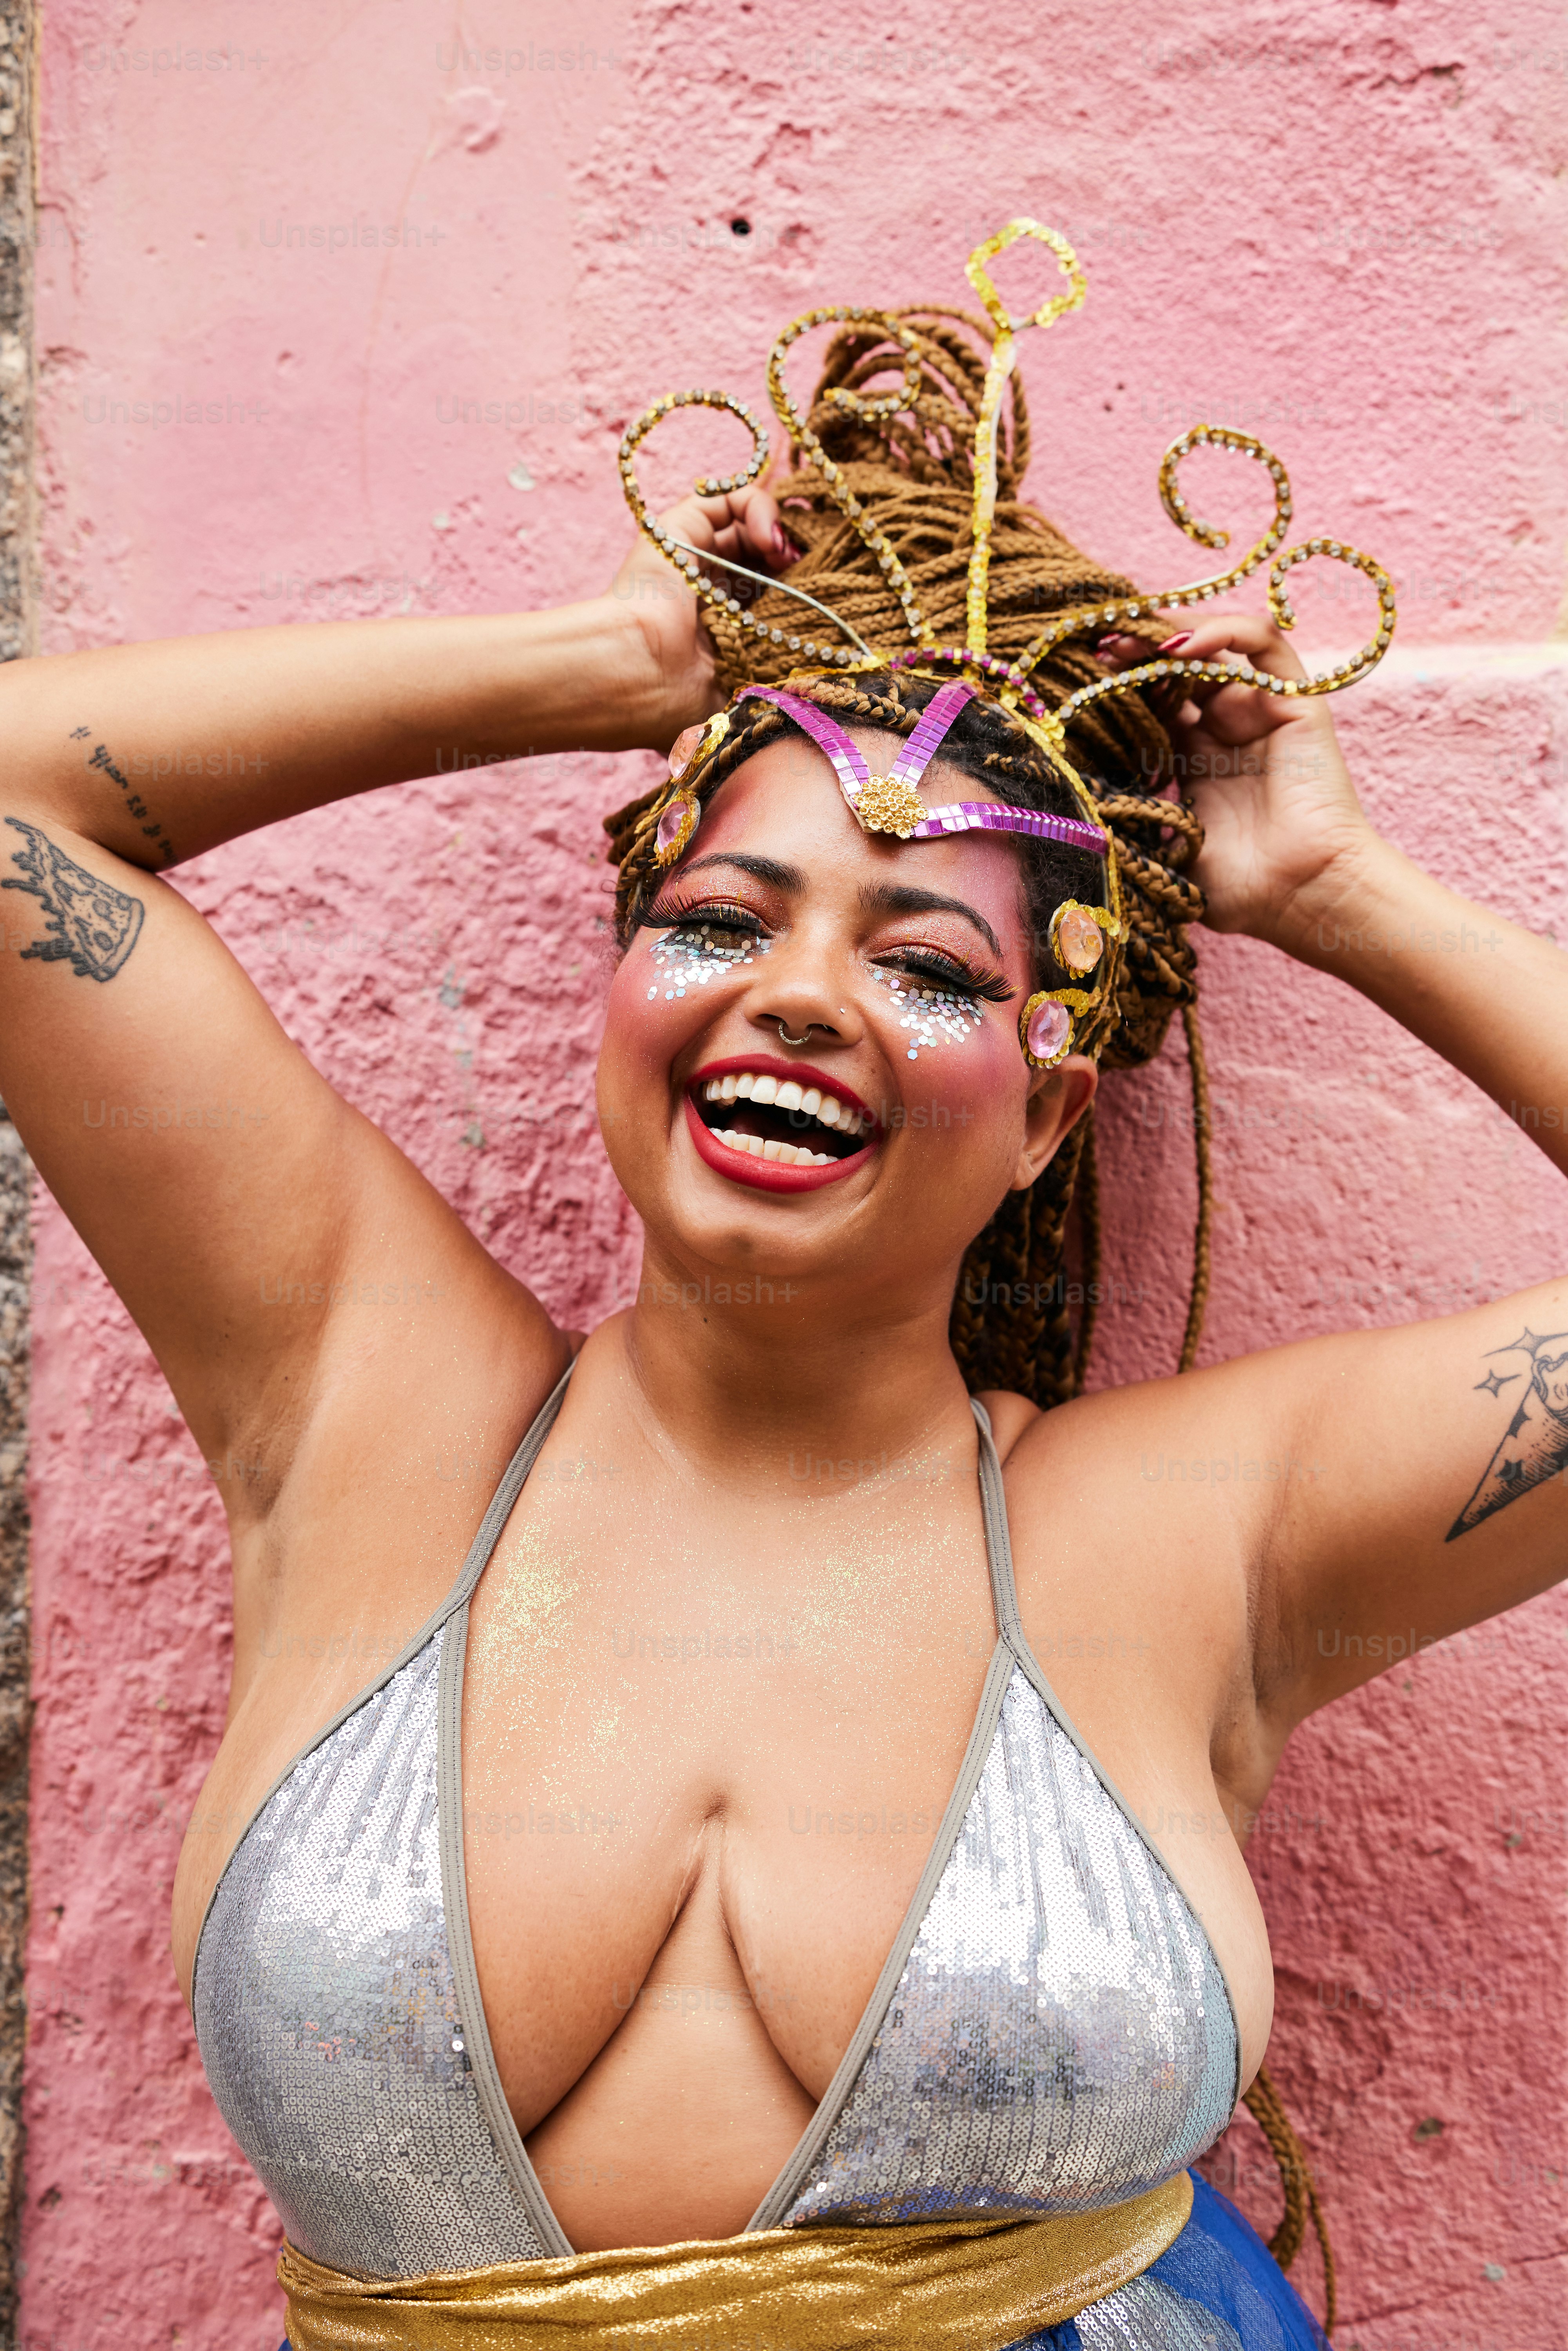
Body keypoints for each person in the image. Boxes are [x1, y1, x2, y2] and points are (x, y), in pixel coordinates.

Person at [2, 222, 1562, 2351]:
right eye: (726, 918)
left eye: (927, 967)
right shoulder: (364, 1405)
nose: (803, 997)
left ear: (1040, 1110)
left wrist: (1342, 894)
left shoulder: (1197, 1536)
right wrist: (613, 668)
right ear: (624, 983)